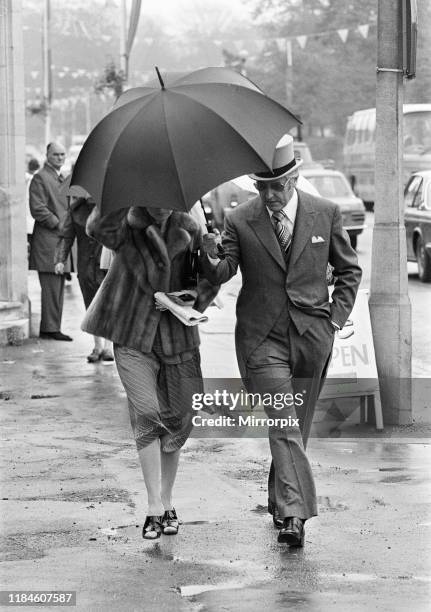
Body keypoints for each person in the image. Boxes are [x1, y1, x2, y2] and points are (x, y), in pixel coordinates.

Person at [201, 134, 361, 547]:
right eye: (262, 186)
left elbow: (348, 273)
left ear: (294, 178)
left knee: (296, 429)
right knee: (284, 423)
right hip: (262, 338)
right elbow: (224, 273)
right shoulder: (240, 220)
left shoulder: (325, 213)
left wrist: (333, 321)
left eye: (277, 186)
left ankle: (280, 496)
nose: (270, 194)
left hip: (313, 336)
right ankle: (295, 517)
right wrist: (208, 252)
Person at [82, 205, 219, 539]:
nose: (158, 202)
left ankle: (167, 500)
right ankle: (153, 506)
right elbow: (97, 228)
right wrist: (116, 195)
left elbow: (207, 281)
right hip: (132, 335)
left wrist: (188, 297)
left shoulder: (189, 227)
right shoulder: (125, 223)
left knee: (176, 418)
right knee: (147, 411)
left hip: (177, 335)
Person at [54, 195, 114, 362]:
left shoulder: (113, 205)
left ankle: (109, 347)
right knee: (91, 306)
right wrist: (60, 259)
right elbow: (66, 236)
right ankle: (97, 345)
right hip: (86, 266)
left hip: (108, 264)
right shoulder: (76, 210)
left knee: (109, 305)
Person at [29, 142, 73, 341]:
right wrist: (58, 224)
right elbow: (37, 208)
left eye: (62, 154)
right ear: (47, 155)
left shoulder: (60, 177)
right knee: (51, 288)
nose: (60, 158)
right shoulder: (40, 177)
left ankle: (52, 326)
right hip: (49, 240)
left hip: (59, 240)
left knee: (57, 287)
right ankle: (50, 328)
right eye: (56, 154)